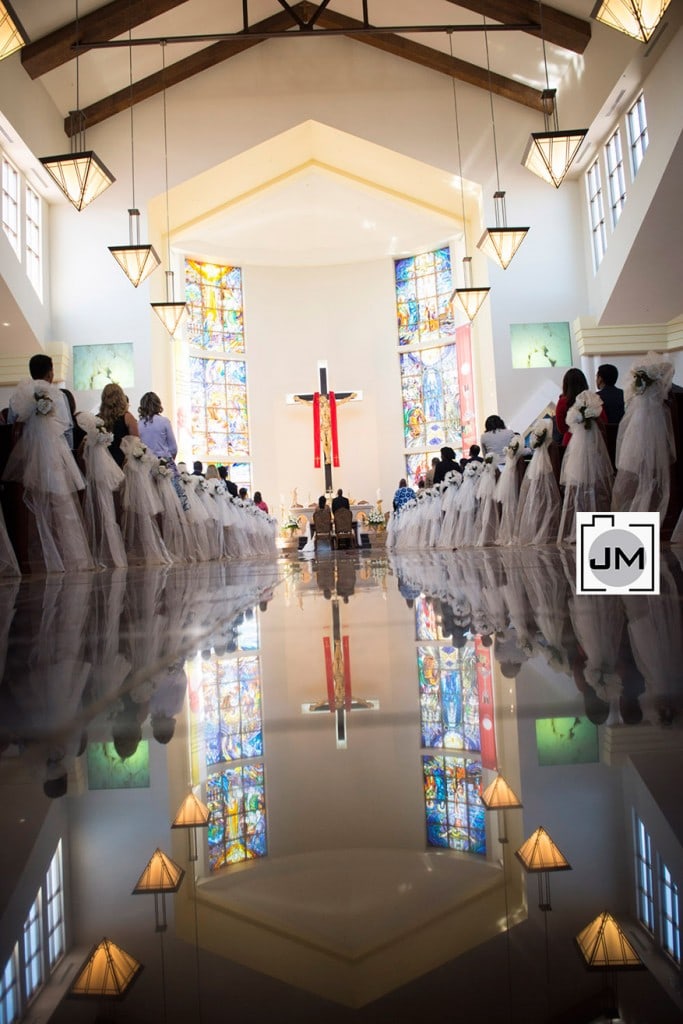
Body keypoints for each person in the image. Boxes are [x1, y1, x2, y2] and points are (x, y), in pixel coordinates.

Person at [7, 354, 74, 449]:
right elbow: (67, 429)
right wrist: (69, 453)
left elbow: (11, 425)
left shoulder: (18, 396)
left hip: (26, 450)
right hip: (54, 450)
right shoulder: (58, 396)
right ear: (50, 374)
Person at [555, 368, 606, 447]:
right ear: (584, 382)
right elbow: (603, 420)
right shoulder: (592, 399)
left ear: (566, 384)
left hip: (570, 442)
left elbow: (561, 429)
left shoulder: (562, 402)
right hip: (592, 441)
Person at [98, 383, 139, 467]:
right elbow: (137, 444)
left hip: (103, 464)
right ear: (121, 397)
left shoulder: (97, 419)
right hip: (123, 464)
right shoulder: (127, 417)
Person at [137, 392, 179, 465]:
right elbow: (173, 448)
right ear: (158, 404)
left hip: (146, 464)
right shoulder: (164, 421)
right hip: (163, 462)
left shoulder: (138, 424)